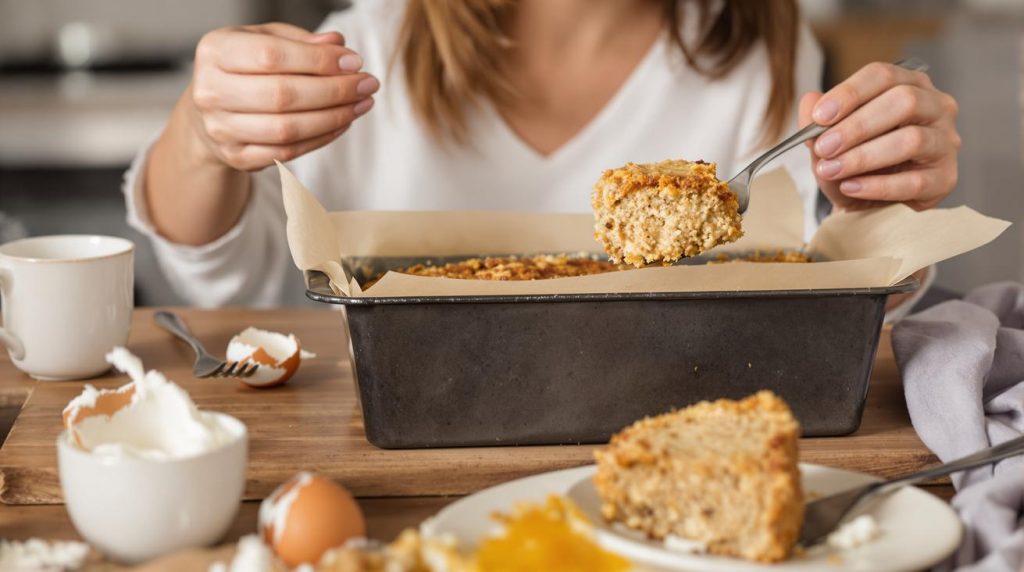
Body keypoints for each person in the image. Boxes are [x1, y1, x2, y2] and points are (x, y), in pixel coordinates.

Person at [124, 0, 960, 307]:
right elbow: (220, 283)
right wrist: (202, 137)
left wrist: (882, 206)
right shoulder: (371, 46)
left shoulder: (761, 68)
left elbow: (826, 303)